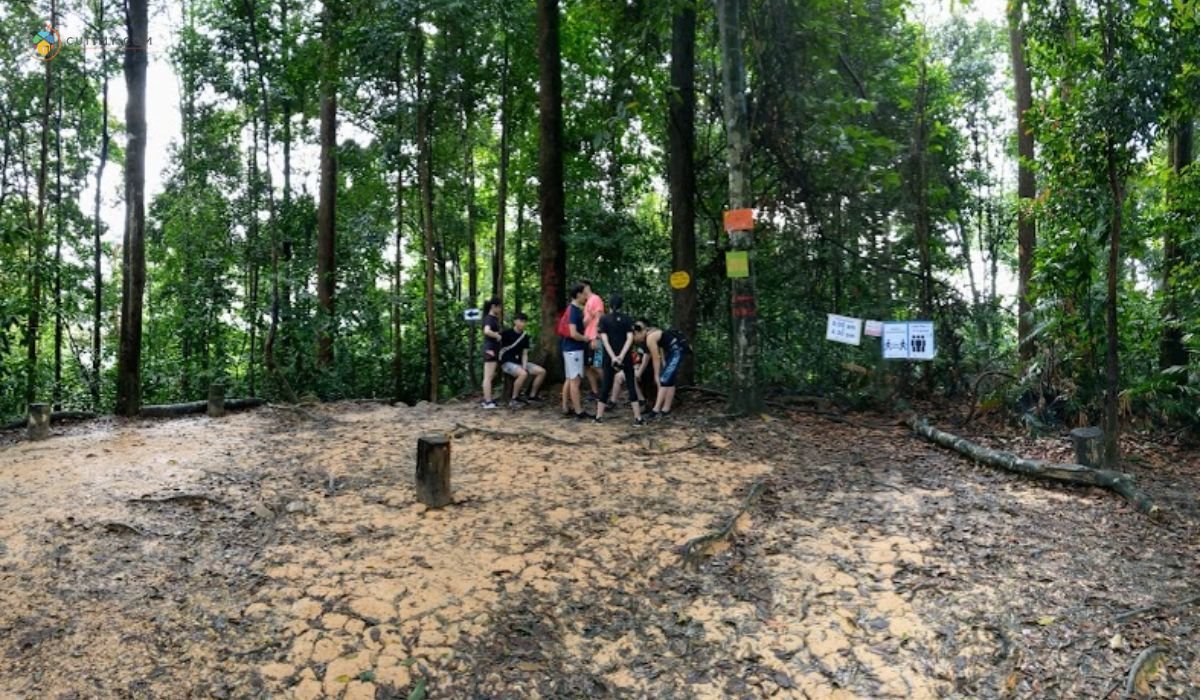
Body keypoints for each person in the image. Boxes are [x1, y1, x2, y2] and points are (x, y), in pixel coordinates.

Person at [594, 295, 644, 426]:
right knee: (631, 384)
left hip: (609, 357)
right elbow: (629, 339)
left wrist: (613, 357)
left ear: (609, 305)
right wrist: (622, 355)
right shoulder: (627, 319)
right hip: (626, 356)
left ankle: (599, 417)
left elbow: (604, 340)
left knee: (606, 384)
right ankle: (638, 418)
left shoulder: (604, 319)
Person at [632, 320, 689, 419]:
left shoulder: (650, 338)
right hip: (672, 352)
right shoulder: (652, 332)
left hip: (676, 351)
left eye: (635, 337)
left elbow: (655, 357)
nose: (636, 340)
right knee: (669, 381)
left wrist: (656, 375)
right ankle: (665, 409)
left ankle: (656, 410)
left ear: (638, 332)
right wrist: (664, 363)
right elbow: (661, 348)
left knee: (664, 380)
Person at [498, 312, 546, 407]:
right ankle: (514, 398)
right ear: (515, 321)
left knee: (541, 371)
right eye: (520, 321)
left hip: (519, 362)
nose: (522, 324)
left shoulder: (525, 337)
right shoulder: (506, 334)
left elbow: (524, 353)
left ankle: (532, 395)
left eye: (524, 321)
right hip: (507, 362)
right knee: (523, 374)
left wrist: (524, 366)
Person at [560, 284, 590, 419]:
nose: (586, 296)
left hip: (571, 349)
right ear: (578, 294)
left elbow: (578, 326)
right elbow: (573, 332)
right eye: (584, 294)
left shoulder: (576, 310)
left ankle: (566, 406)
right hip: (574, 350)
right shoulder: (573, 310)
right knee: (575, 381)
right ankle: (579, 411)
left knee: (570, 378)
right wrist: (585, 338)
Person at [581, 280, 605, 401]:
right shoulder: (586, 303)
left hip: (595, 337)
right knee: (588, 366)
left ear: (587, 287)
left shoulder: (595, 299)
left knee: (597, 365)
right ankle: (595, 392)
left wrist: (596, 336)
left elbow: (599, 318)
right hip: (587, 337)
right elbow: (587, 321)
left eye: (582, 287)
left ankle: (607, 388)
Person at [480, 297, 503, 409]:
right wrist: (497, 335)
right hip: (490, 349)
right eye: (499, 307)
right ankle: (488, 401)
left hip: (493, 348)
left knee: (490, 375)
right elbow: (487, 331)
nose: (500, 309)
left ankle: (488, 399)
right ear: (493, 306)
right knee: (488, 376)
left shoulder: (493, 318)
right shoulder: (489, 318)